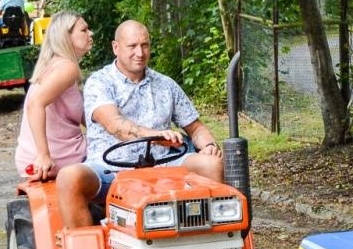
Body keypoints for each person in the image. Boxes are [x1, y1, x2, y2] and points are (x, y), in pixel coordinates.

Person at [81, 20, 225, 206]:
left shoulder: (166, 85)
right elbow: (115, 125)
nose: (140, 53)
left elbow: (196, 128)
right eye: (132, 46)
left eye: (145, 45)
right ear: (116, 47)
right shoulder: (99, 82)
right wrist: (155, 136)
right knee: (71, 177)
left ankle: (211, 228)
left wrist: (209, 145)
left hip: (164, 166)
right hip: (112, 170)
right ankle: (82, 232)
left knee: (211, 164)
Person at [16, 12, 99, 230]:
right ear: (66, 36)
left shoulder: (56, 66)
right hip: (59, 159)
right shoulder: (66, 68)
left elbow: (89, 117)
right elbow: (35, 105)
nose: (90, 34)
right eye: (84, 30)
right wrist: (43, 155)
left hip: (53, 154)